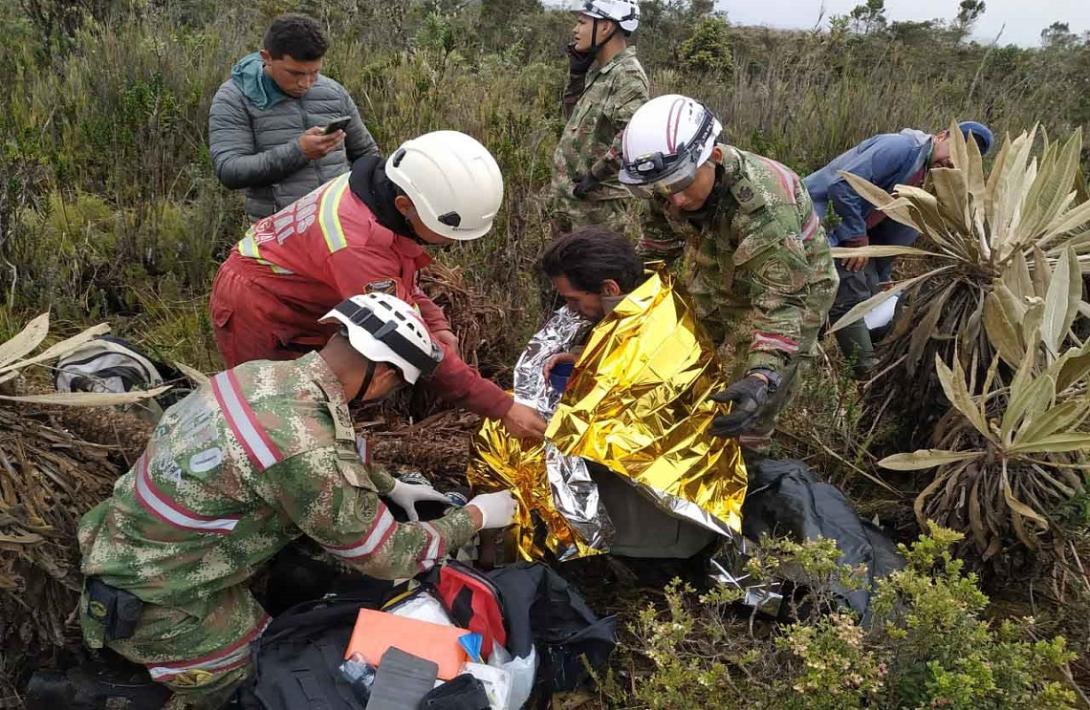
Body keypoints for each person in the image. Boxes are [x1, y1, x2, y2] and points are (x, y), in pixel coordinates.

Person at [78, 293, 519, 708]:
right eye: (395, 385)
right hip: (163, 604)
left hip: (133, 548)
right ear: (384, 374)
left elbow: (316, 448)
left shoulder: (263, 376)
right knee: (278, 679)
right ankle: (118, 686)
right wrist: (476, 517)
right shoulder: (306, 448)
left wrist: (388, 486)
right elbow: (385, 554)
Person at [209, 129, 546, 441]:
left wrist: (437, 325)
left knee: (317, 397)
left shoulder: (379, 192)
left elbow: (399, 277)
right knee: (272, 414)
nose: (450, 244)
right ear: (405, 207)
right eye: (447, 234)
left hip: (306, 291)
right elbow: (403, 340)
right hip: (261, 307)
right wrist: (501, 408)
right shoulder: (355, 244)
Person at [622, 94, 839, 453]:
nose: (673, 200)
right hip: (714, 269)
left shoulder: (765, 208)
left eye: (680, 184)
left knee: (752, 405)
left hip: (792, 289)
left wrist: (761, 376)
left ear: (714, 157)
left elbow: (780, 304)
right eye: (660, 189)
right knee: (690, 355)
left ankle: (749, 456)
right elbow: (657, 251)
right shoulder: (666, 185)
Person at [803, 121, 994, 377]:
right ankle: (865, 374)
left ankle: (811, 346)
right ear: (940, 137)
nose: (953, 163)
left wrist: (882, 279)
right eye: (955, 151)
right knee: (850, 291)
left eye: (963, 160)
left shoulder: (927, 179)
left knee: (875, 293)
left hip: (849, 236)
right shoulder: (901, 147)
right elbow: (843, 186)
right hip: (818, 220)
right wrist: (857, 240)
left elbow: (894, 233)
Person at [209, 13, 380, 221]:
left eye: (314, 72)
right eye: (295, 74)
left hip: (340, 222)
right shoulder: (234, 98)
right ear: (267, 58)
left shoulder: (333, 92)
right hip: (279, 231)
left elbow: (367, 154)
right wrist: (299, 152)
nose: (306, 83)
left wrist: (363, 204)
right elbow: (230, 170)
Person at [550, 0, 649, 236]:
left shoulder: (627, 75)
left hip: (597, 210)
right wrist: (576, 75)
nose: (575, 30)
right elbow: (574, 122)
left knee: (593, 272)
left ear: (605, 27)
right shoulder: (602, 72)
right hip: (571, 203)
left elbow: (632, 136)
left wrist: (595, 175)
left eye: (582, 22)